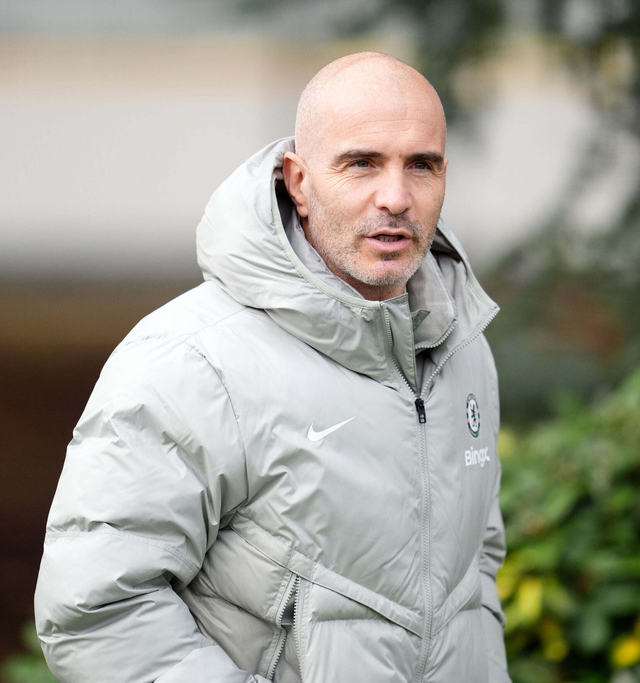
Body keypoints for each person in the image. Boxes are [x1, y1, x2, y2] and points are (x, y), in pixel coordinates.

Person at [35, 52, 509, 683]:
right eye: (362, 163)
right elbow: (96, 611)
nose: (395, 197)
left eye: (421, 165)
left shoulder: (463, 347)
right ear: (299, 182)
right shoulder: (191, 362)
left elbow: (476, 569)